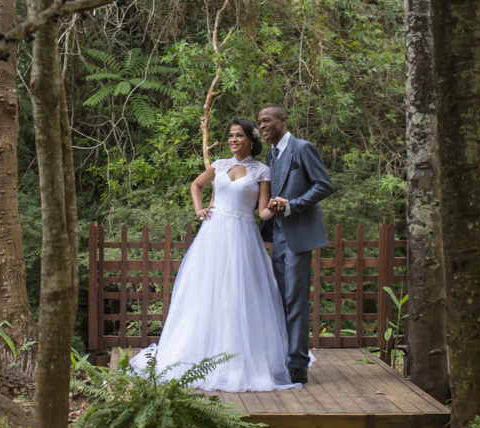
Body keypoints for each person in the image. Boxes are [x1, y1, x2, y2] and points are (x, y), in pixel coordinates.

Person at [129, 118, 298, 392]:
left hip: (243, 237)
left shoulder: (262, 170)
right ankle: (196, 353)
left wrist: (282, 206)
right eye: (231, 135)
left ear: (251, 140)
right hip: (212, 235)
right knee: (205, 291)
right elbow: (196, 186)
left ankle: (238, 357)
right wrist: (199, 209)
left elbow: (263, 211)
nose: (233, 140)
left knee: (240, 292)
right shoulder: (219, 165)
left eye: (239, 136)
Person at [257, 105, 334, 385]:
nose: (262, 126)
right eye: (259, 123)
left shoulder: (302, 148)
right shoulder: (271, 154)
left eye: (267, 121)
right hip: (277, 234)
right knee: (280, 298)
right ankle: (284, 358)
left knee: (295, 299)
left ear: (282, 121)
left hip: (298, 233)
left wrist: (292, 205)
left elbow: (324, 185)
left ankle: (298, 365)